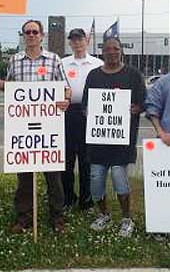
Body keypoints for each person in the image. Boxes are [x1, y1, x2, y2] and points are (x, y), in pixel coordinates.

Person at [0, 19, 70, 234]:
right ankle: (24, 218)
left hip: (49, 128)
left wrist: (65, 99)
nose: (31, 35)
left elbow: (66, 88)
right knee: (24, 178)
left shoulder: (54, 59)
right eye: (27, 32)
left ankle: (57, 217)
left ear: (42, 35)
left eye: (35, 31)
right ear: (23, 35)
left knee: (54, 178)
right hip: (23, 128)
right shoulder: (15, 60)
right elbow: (9, 88)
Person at [82, 36, 146, 238]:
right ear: (102, 52)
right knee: (96, 181)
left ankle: (127, 219)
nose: (111, 52)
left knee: (120, 180)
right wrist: (91, 113)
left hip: (122, 142)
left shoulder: (133, 75)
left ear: (121, 51)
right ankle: (104, 214)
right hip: (98, 141)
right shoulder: (93, 75)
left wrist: (135, 109)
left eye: (115, 49)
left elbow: (143, 103)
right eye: (108, 49)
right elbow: (85, 105)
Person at [61, 28, 103, 211]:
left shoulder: (97, 63)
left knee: (87, 160)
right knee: (67, 160)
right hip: (67, 113)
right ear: (69, 42)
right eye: (73, 40)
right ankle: (68, 198)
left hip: (90, 114)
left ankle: (86, 201)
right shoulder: (62, 63)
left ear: (87, 40)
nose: (77, 43)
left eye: (80, 39)